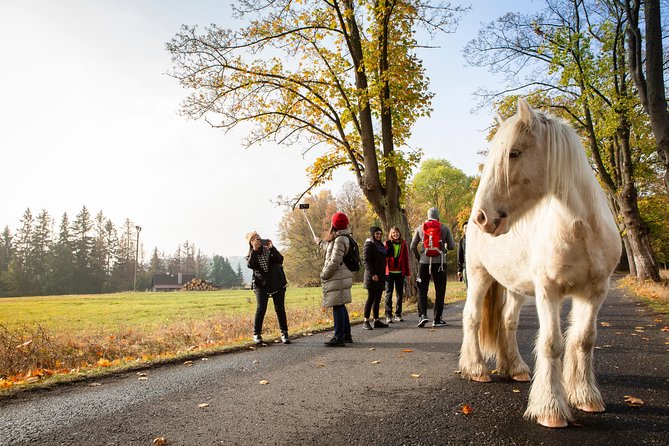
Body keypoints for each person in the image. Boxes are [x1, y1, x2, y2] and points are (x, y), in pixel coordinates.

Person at [410, 207, 455, 328]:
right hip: (440, 263)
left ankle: (423, 315)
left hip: (424, 263)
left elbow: (412, 246)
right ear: (438, 217)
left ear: (427, 216)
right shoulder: (444, 228)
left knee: (422, 289)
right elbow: (451, 246)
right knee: (440, 290)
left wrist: (420, 259)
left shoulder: (421, 228)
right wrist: (443, 247)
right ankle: (437, 319)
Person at [246, 231, 290, 345]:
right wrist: (255, 251)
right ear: (250, 243)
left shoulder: (269, 250)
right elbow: (251, 265)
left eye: (258, 238)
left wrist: (272, 248)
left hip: (277, 281)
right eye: (253, 240)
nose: (257, 241)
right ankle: (256, 334)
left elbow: (280, 259)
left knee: (280, 308)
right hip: (261, 284)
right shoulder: (251, 254)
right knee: (261, 308)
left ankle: (284, 333)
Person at [319, 212, 354, 346]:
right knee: (341, 304)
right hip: (342, 276)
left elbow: (334, 261)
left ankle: (338, 336)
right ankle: (346, 335)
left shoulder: (339, 239)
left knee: (337, 306)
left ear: (334, 224)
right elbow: (331, 249)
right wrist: (320, 242)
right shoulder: (344, 237)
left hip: (337, 276)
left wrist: (324, 274)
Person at [362, 226, 388, 330]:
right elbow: (366, 261)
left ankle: (376, 320)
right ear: (372, 234)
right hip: (372, 277)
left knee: (377, 299)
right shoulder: (369, 245)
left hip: (380, 276)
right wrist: (373, 274)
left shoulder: (380, 245)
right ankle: (366, 321)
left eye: (380, 234)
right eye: (376, 234)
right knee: (370, 299)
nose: (378, 235)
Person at [384, 226, 411, 324]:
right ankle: (388, 315)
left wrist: (407, 273)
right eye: (394, 233)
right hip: (389, 273)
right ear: (391, 234)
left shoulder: (403, 244)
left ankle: (398, 314)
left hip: (400, 273)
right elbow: (383, 258)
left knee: (399, 294)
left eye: (397, 232)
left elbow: (406, 259)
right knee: (389, 293)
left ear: (399, 233)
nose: (396, 234)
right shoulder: (387, 244)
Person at [456, 221, 468, 288]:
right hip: (465, 268)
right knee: (468, 288)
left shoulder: (476, 240)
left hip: (476, 268)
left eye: (468, 227)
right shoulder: (461, 241)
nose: (467, 229)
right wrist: (459, 270)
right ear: (463, 230)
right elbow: (459, 256)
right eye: (465, 228)